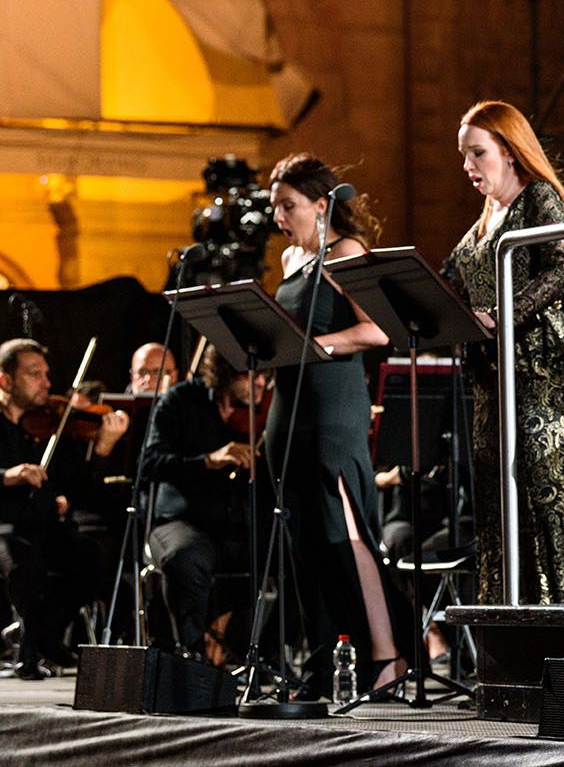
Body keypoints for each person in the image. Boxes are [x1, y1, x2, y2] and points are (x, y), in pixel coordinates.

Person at [441, 101, 564, 605]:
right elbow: (454, 278)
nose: (468, 165)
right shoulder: (485, 217)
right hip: (489, 373)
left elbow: (561, 268)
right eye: (464, 155)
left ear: (509, 150)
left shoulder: (537, 196)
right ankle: (510, 609)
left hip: (536, 364)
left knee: (547, 490)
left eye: (477, 153)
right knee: (498, 496)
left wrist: (500, 315)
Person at [266, 152, 408, 696]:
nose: (279, 217)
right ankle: (324, 661)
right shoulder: (289, 259)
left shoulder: (346, 252)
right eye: (275, 207)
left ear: (321, 205)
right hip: (288, 410)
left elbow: (377, 331)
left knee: (347, 536)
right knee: (304, 544)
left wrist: (314, 344)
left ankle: (387, 657)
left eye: (288, 206)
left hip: (333, 409)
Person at [139, 345, 268, 665]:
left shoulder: (265, 410)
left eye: (266, 374)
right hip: (181, 520)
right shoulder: (181, 400)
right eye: (250, 373)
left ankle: (255, 654)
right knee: (185, 556)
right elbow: (150, 463)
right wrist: (208, 461)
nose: (261, 382)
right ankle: (192, 657)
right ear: (225, 371)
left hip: (240, 523)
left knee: (291, 554)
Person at [1, 338, 121, 679]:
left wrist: (102, 450)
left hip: (45, 527)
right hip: (4, 528)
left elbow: (81, 488)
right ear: (5, 380)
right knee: (25, 563)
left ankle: (44, 638)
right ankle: (32, 648)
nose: (46, 383)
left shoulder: (55, 423)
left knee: (91, 559)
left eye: (46, 374)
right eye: (34, 374)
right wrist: (6, 476)